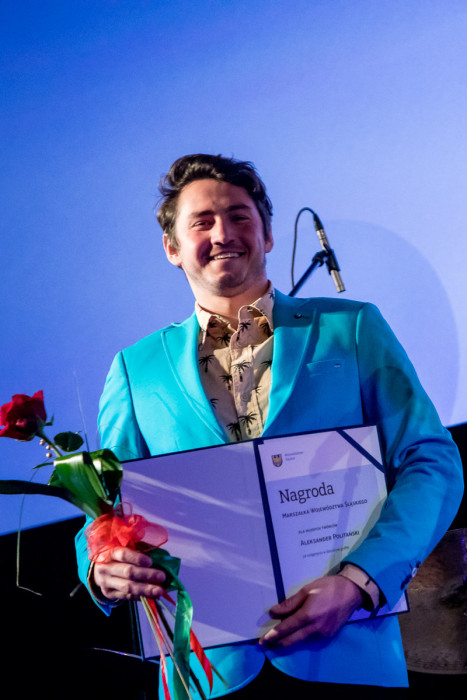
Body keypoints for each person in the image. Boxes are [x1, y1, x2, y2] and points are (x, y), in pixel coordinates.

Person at [75, 154, 463, 699]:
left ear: (268, 234)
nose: (223, 233)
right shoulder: (135, 371)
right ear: (171, 248)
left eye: (239, 216)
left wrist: (359, 582)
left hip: (347, 654)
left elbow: (431, 462)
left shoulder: (351, 328)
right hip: (206, 677)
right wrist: (101, 565)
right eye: (202, 222)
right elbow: (107, 512)